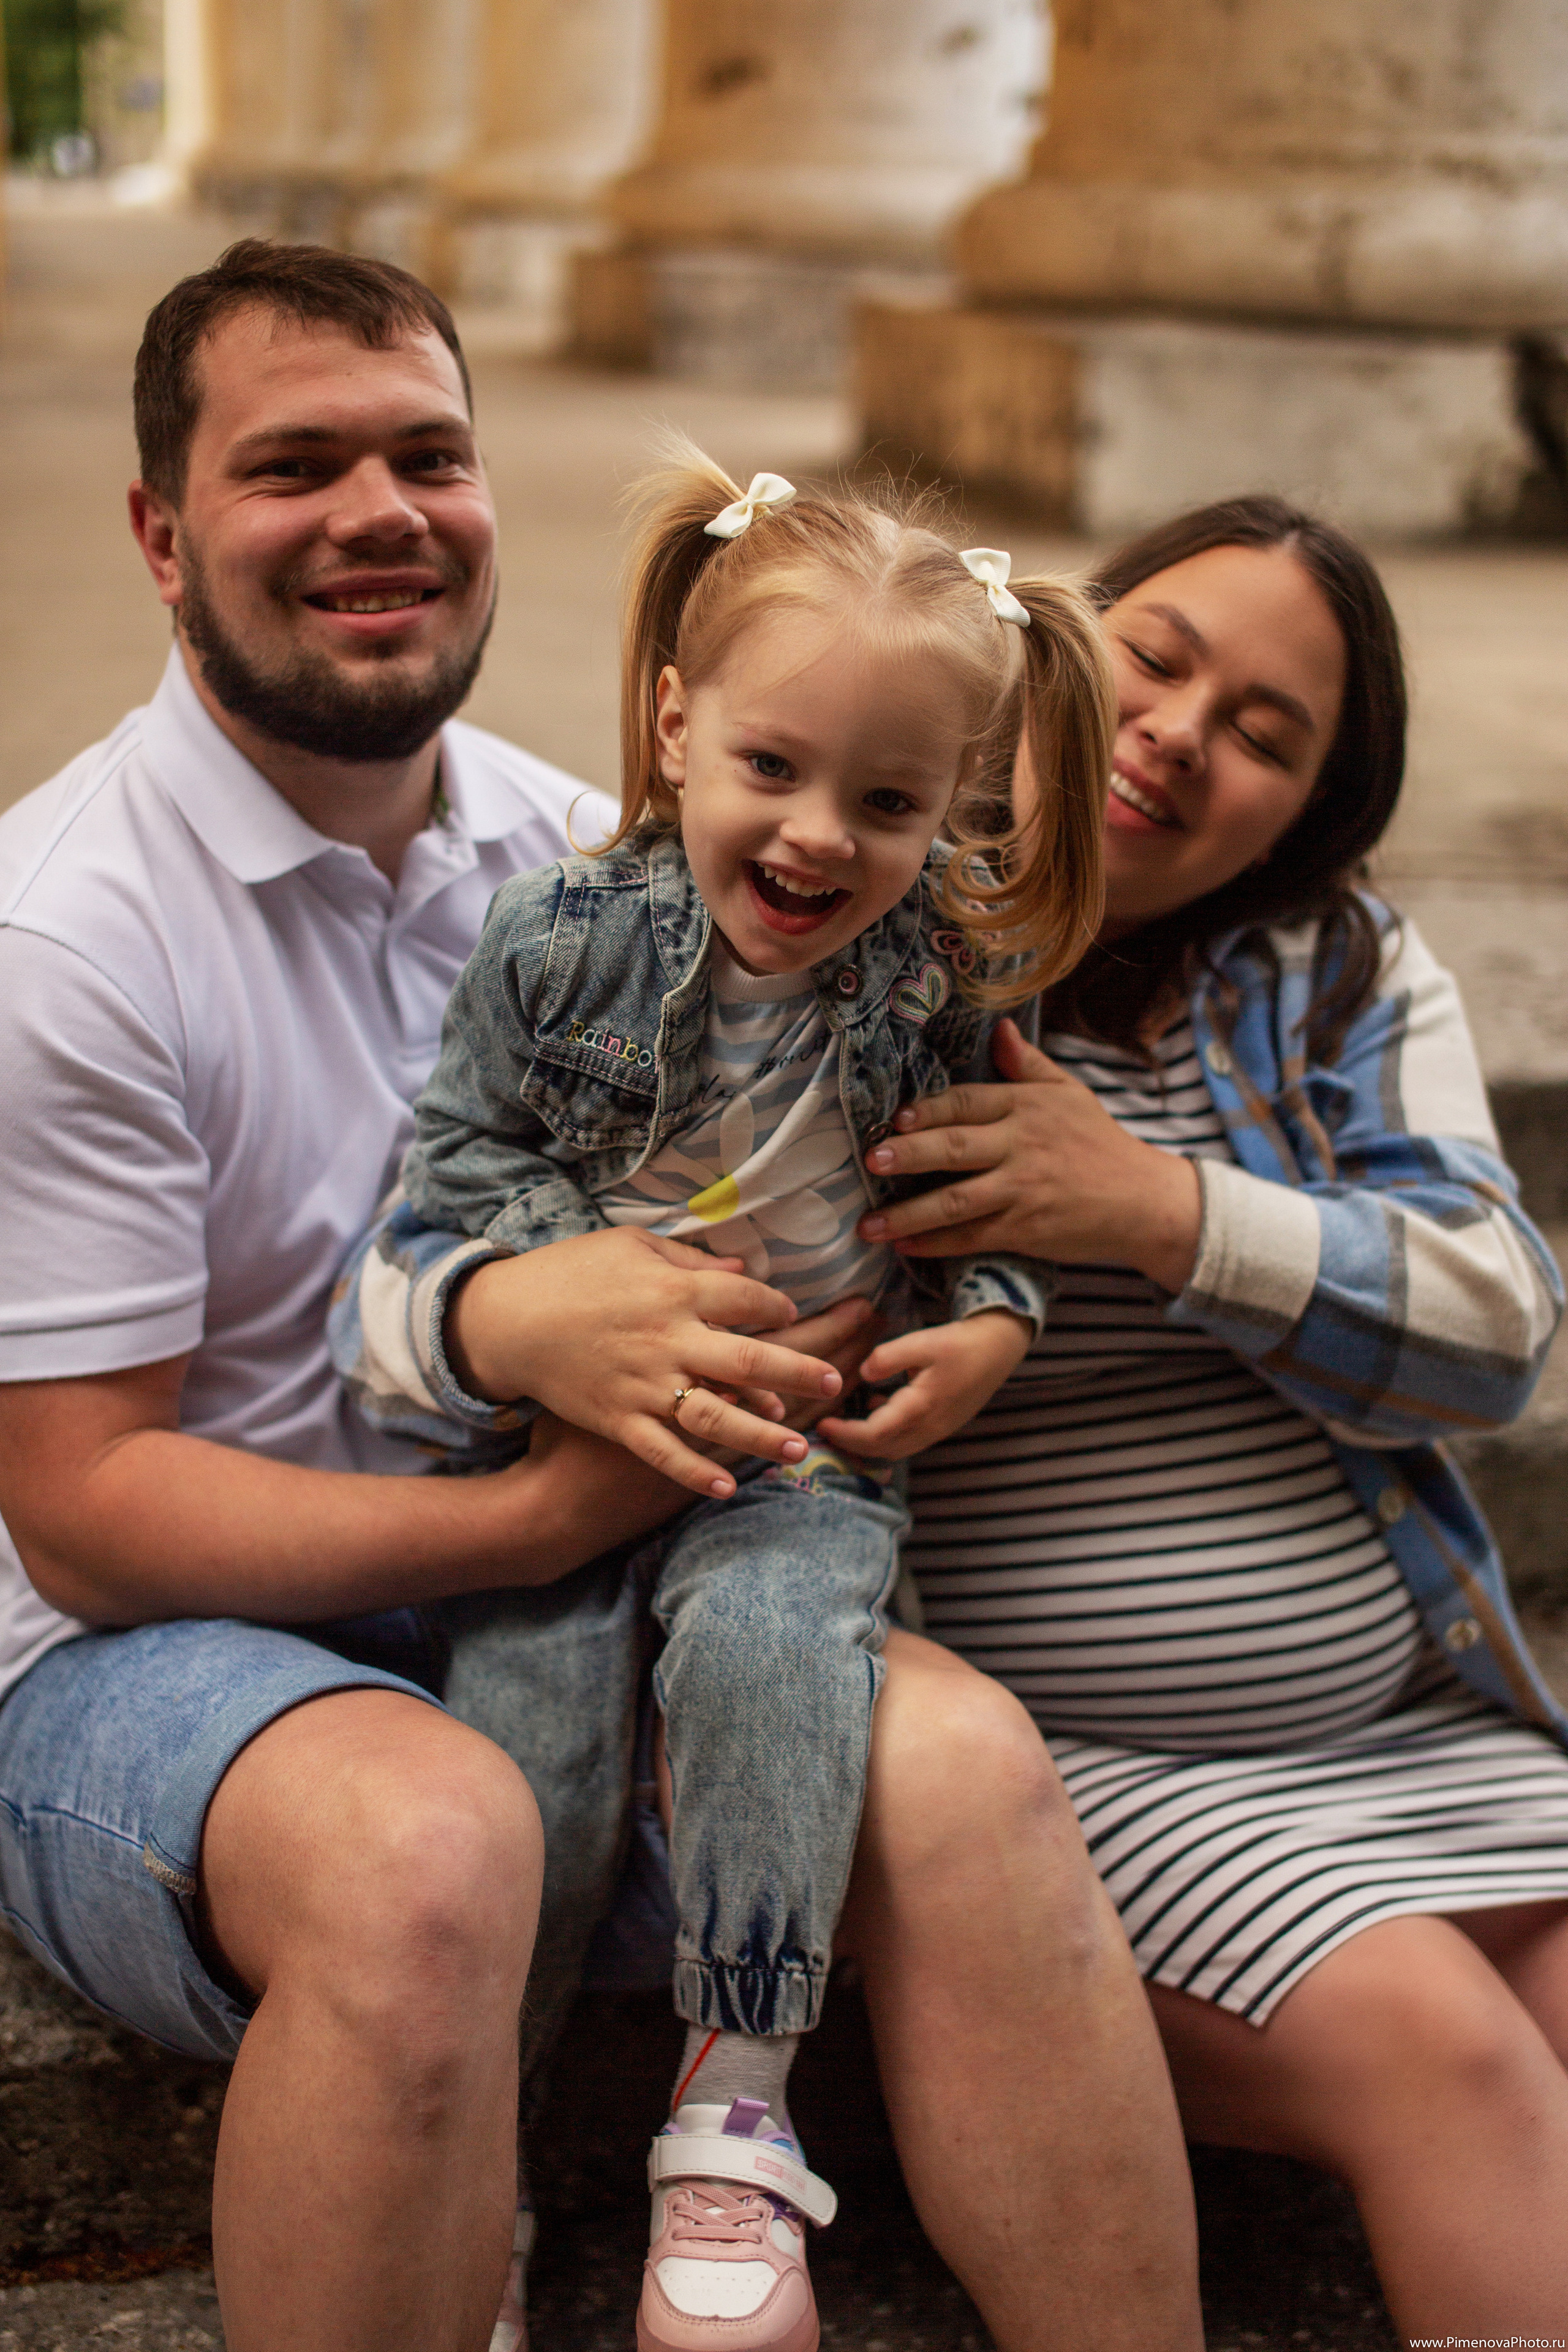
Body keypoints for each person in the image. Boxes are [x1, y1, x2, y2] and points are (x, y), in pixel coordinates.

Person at [0, 237, 1203, 2352]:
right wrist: (543, 1499)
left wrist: (996, 1291)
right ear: (160, 534)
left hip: (607, 1566)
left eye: (428, 455)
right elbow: (88, 1517)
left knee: (970, 1773)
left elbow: (926, 1136)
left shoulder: (611, 861)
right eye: (296, 466)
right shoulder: (63, 941)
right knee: (433, 1834)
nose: (382, 512)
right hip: (155, 1655)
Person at [347, 441, 1109, 2352]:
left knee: (779, 1657)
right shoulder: (556, 943)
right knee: (527, 1743)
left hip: (799, 1449)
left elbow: (983, 1203)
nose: (821, 837)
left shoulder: (933, 977)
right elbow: (449, 1177)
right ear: (678, 728)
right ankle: (484, 2161)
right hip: (574, 1433)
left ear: (954, 810)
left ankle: (738, 2100)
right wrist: (565, 1283)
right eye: (775, 769)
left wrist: (995, 1321)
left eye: (889, 798)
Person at [853, 495, 1568, 2341]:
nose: (1181, 731)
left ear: (1308, 817)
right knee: (1453, 2058)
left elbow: (1498, 1330)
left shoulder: (1327, 974)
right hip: (1072, 1798)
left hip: (1416, 1734)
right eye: (1157, 657)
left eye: (1268, 734)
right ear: (1053, 649)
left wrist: (1157, 1210)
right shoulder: (851, 922)